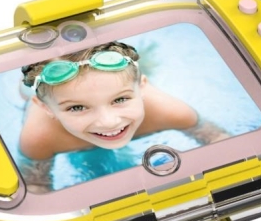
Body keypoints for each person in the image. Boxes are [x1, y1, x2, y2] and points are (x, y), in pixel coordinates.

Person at [19, 42, 227, 161]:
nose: (108, 122)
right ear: (46, 108)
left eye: (120, 99)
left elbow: (220, 140)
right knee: (25, 89)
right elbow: (36, 188)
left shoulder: (171, 111)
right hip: (35, 95)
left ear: (142, 87)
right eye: (77, 107)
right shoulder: (39, 139)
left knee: (138, 66)